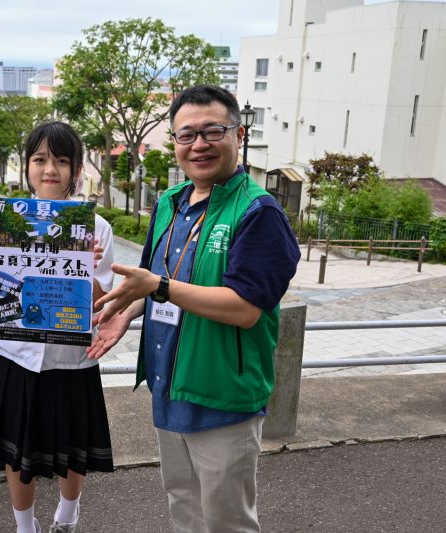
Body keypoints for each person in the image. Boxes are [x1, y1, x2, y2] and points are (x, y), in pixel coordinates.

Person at [87, 85, 301, 533]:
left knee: (225, 520)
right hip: (170, 383)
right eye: (186, 135)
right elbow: (152, 278)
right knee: (183, 507)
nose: (199, 144)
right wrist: (126, 312)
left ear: (239, 134)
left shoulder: (258, 213)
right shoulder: (171, 201)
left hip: (223, 394)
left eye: (212, 131)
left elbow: (245, 308)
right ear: (174, 141)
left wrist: (158, 286)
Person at [0, 121, 115, 533]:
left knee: (73, 446)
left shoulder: (96, 226)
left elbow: (101, 300)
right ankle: (24, 526)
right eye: (39, 159)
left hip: (72, 358)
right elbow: (2, 293)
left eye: (61, 161)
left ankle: (67, 516)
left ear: (75, 169)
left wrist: (83, 266)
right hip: (15, 354)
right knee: (17, 453)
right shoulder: (7, 222)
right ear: (27, 166)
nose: (49, 169)